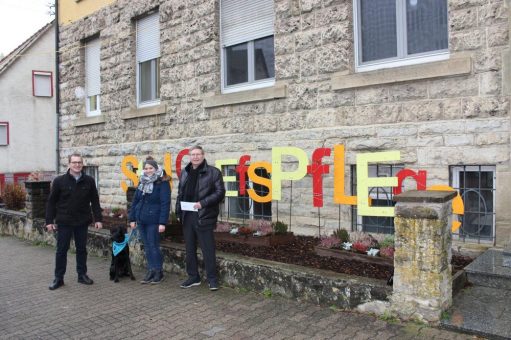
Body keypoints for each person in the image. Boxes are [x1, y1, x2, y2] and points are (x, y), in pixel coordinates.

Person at [45, 153, 103, 290]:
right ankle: (58, 278)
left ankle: (82, 275)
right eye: (74, 162)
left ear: (82, 164)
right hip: (64, 221)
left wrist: (98, 219)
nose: (77, 165)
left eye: (79, 162)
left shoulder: (89, 181)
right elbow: (51, 202)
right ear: (69, 164)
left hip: (82, 221)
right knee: (61, 250)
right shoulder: (59, 181)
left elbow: (95, 201)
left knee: (82, 249)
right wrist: (49, 221)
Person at [176, 145, 225, 291]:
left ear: (203, 155)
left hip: (204, 215)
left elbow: (220, 192)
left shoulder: (213, 172)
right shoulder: (185, 172)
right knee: (189, 249)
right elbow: (180, 194)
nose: (195, 157)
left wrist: (202, 203)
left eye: (198, 154)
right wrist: (178, 212)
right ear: (189, 156)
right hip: (187, 215)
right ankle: (193, 277)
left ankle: (212, 279)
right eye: (193, 154)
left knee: (207, 249)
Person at [129, 156, 171, 284]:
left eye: (150, 168)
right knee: (147, 246)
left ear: (156, 169)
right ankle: (151, 270)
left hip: (154, 220)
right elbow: (135, 200)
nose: (148, 170)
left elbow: (165, 203)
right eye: (146, 168)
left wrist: (162, 222)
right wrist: (132, 218)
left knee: (153, 246)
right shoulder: (142, 182)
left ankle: (158, 271)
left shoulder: (162, 183)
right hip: (141, 219)